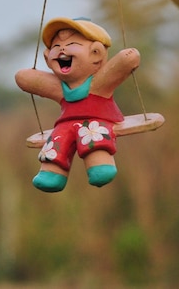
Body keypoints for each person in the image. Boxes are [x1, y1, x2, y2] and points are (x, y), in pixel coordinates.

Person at [15, 17, 140, 192]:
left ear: (96, 52)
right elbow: (25, 78)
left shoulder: (99, 83)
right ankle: (52, 173)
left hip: (97, 120)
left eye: (72, 44)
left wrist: (129, 57)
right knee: (58, 141)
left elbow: (125, 61)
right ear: (47, 56)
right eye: (56, 47)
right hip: (64, 125)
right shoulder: (60, 88)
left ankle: (99, 166)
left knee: (94, 135)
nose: (62, 49)